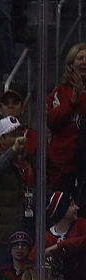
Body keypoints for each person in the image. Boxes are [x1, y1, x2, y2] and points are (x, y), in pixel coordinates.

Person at [0, 116, 33, 269]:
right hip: (2, 238)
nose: (19, 138)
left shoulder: (27, 161)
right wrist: (14, 150)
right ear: (1, 139)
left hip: (25, 232)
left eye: (20, 132)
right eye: (13, 134)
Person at [45, 43, 86, 193]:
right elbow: (51, 120)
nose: (84, 62)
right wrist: (71, 103)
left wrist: (80, 97)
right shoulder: (59, 92)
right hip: (63, 165)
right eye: (80, 58)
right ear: (70, 64)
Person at [36, 192, 86, 280]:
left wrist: (59, 246)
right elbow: (33, 260)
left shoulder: (81, 225)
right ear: (61, 211)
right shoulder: (46, 237)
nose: (77, 207)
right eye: (71, 205)